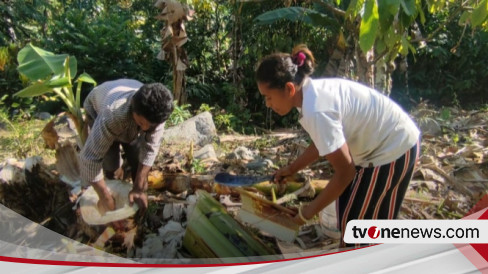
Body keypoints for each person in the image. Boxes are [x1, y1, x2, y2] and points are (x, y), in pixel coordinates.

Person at [255, 45, 420, 247]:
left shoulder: (317, 110)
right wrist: (292, 169)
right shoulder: (310, 96)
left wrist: (305, 213)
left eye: (268, 97)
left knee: (356, 232)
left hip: (392, 148)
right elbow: (322, 142)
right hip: (379, 147)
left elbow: (345, 173)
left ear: (289, 88)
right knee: (355, 221)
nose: (268, 104)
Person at [80, 79, 174, 214]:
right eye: (142, 123)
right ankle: (113, 189)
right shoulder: (113, 114)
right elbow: (90, 158)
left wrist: (139, 188)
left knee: (137, 163)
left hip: (127, 116)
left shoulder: (158, 113)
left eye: (150, 125)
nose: (146, 128)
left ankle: (134, 194)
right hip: (97, 107)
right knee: (111, 166)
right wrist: (104, 196)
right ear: (133, 108)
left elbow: (150, 149)